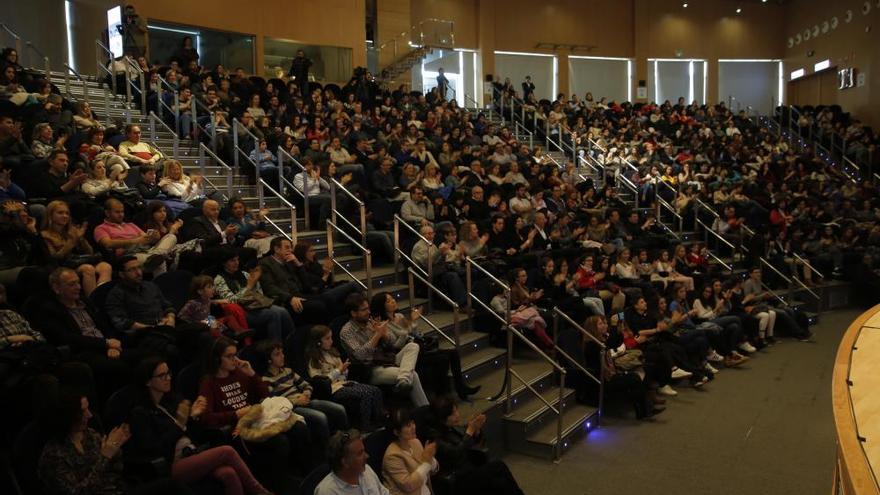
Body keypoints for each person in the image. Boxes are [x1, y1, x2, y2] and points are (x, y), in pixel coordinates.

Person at [127, 357, 271, 495]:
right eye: (161, 376)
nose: (168, 378)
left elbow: (193, 434)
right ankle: (260, 491)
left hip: (192, 452)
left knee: (228, 473)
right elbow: (156, 448)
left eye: (169, 373)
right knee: (226, 451)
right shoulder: (140, 413)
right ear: (148, 382)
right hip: (171, 463)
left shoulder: (173, 400)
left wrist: (194, 416)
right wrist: (179, 424)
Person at [197, 336, 310, 492]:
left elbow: (266, 394)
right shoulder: (208, 382)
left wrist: (251, 373)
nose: (234, 360)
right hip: (239, 429)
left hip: (258, 418)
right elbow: (206, 418)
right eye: (229, 356)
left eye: (235, 355)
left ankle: (305, 475)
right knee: (280, 441)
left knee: (299, 427)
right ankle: (279, 484)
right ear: (217, 359)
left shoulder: (238, 373)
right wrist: (235, 414)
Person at [38, 391, 189, 495]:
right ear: (68, 416)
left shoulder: (89, 435)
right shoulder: (54, 454)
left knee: (173, 486)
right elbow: (79, 492)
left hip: (118, 490)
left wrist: (117, 449)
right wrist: (105, 455)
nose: (89, 415)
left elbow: (116, 471)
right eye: (83, 411)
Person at [369, 291, 479, 399]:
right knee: (442, 359)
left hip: (417, 347)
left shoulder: (399, 316)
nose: (393, 301)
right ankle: (442, 396)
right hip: (405, 355)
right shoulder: (384, 325)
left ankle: (461, 388)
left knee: (453, 353)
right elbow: (396, 345)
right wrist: (408, 327)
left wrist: (413, 323)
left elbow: (413, 333)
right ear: (382, 306)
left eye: (392, 298)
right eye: (388, 301)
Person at [257, 340, 348, 456]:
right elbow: (273, 402)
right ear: (268, 360)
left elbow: (306, 384)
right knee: (321, 418)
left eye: (282, 353)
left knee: (339, 409)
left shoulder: (287, 371)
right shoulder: (266, 380)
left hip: (304, 399)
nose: (282, 356)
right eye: (277, 354)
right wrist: (296, 401)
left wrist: (306, 393)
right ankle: (327, 453)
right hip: (290, 409)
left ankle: (345, 444)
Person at [340, 293, 429, 407]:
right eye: (364, 310)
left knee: (413, 346)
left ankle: (403, 380)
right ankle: (425, 410)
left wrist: (385, 334)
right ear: (353, 313)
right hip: (370, 369)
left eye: (368, 308)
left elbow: (392, 343)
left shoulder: (370, 321)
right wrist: (377, 335)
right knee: (413, 375)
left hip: (386, 358)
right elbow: (361, 355)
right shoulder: (347, 331)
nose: (368, 312)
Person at [426, 396, 524, 495]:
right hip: (458, 479)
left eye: (456, 411)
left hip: (470, 469)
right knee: (498, 466)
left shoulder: (452, 427)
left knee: (501, 483)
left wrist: (476, 431)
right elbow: (456, 453)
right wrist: (469, 431)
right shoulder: (435, 438)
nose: (457, 415)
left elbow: (472, 442)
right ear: (442, 418)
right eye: (453, 414)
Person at [306, 325, 386, 431]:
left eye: (331, 337)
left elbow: (343, 373)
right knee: (365, 393)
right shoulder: (314, 360)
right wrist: (338, 371)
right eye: (327, 338)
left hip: (344, 383)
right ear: (318, 342)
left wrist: (343, 371)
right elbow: (320, 382)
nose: (331, 341)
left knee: (375, 390)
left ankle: (378, 422)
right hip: (332, 389)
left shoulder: (333, 353)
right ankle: (365, 426)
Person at [259, 237, 355, 323]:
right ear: (276, 249)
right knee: (320, 305)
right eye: (287, 247)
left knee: (330, 299)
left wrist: (298, 265)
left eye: (291, 247)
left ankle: (335, 329)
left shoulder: (290, 262)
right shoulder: (266, 263)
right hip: (286, 299)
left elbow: (306, 284)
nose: (291, 250)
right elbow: (269, 287)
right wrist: (290, 298)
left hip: (301, 293)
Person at [212, 250, 295, 341]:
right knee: (274, 314)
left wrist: (256, 282)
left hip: (254, 305)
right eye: (232, 260)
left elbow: (259, 294)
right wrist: (248, 287)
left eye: (237, 260)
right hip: (241, 311)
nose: (236, 263)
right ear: (224, 263)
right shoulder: (219, 279)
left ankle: (291, 342)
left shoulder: (244, 274)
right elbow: (230, 301)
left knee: (282, 311)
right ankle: (275, 347)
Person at [41, 200, 113, 296]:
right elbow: (55, 257)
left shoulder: (71, 231)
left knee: (105, 266)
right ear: (50, 215)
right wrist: (72, 241)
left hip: (76, 262)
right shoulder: (45, 235)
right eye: (60, 213)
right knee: (88, 268)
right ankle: (92, 302)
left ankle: (102, 296)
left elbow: (89, 252)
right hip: (61, 267)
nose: (65, 216)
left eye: (67, 213)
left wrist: (81, 239)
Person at [94, 198, 177, 274]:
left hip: (146, 250)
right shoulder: (101, 228)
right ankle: (157, 257)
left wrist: (154, 237)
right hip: (129, 254)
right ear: (107, 213)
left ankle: (155, 256)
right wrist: (135, 241)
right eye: (117, 212)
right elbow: (108, 244)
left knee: (171, 237)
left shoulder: (130, 225)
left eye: (122, 212)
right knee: (160, 262)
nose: (121, 215)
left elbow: (146, 238)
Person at [314, 429, 390, 495]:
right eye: (360, 453)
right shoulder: (327, 491)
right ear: (345, 462)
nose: (367, 456)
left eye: (364, 451)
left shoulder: (367, 470)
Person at [382, 408, 438, 495]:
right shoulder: (392, 456)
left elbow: (432, 471)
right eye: (408, 425)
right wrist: (427, 462)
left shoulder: (415, 442)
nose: (413, 427)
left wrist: (430, 458)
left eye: (413, 423)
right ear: (397, 432)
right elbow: (408, 485)